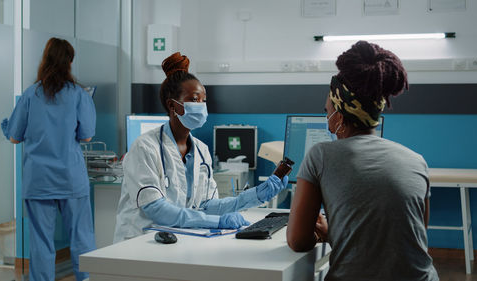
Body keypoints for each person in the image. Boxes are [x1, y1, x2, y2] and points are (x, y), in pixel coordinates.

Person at [286, 41, 439, 281]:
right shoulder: (417, 161)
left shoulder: (320, 155)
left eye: (327, 112)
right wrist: (336, 232)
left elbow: (298, 241)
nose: (327, 119)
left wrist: (323, 233)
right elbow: (407, 239)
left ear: (339, 113)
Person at [113, 52, 288, 243]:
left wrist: (254, 196)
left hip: (177, 240)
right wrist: (216, 222)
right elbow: (156, 209)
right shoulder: (145, 147)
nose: (201, 106)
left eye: (204, 100)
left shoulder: (201, 150)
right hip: (139, 241)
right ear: (172, 105)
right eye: (194, 100)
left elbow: (207, 205)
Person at [1, 38, 96, 281]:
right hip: (71, 179)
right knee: (81, 238)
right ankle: (85, 279)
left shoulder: (31, 94)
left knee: (41, 242)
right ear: (70, 63)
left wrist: (8, 127)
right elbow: (86, 137)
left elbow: (14, 137)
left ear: (45, 60)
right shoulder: (79, 95)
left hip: (39, 180)